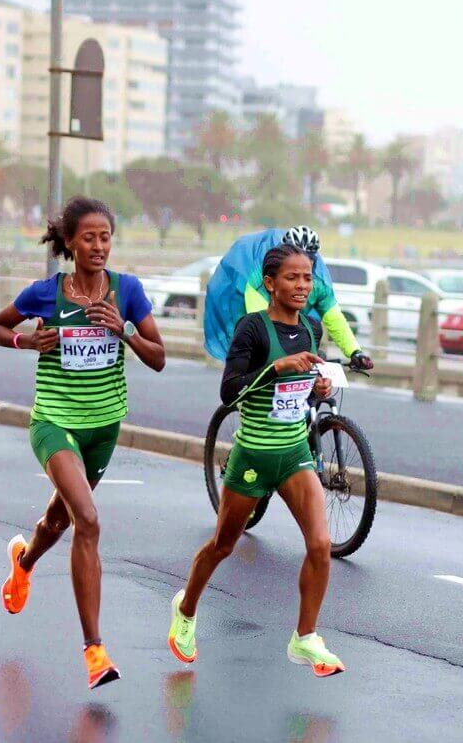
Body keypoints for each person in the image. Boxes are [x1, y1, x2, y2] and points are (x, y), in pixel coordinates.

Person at [0, 197, 166, 690]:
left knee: (59, 519)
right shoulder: (46, 294)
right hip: (54, 423)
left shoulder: (127, 291)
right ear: (69, 242)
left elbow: (159, 358)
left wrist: (124, 329)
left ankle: (23, 562)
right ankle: (95, 651)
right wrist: (27, 342)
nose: (99, 246)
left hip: (103, 427)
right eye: (88, 237)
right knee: (87, 520)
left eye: (105, 237)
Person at [168, 244, 346, 677]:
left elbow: (302, 387)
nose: (302, 286)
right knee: (223, 545)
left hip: (293, 454)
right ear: (270, 283)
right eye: (292, 278)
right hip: (252, 455)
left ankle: (305, 638)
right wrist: (276, 369)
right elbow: (230, 391)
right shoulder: (252, 328)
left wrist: (317, 389)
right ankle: (186, 609)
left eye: (308, 278)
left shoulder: (310, 327)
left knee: (320, 545)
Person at [203, 226, 374, 374]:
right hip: (265, 326)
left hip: (294, 328)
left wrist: (355, 352)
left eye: (307, 266)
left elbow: (335, 320)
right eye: (292, 274)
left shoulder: (319, 284)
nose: (301, 282)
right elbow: (258, 323)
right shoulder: (262, 278)